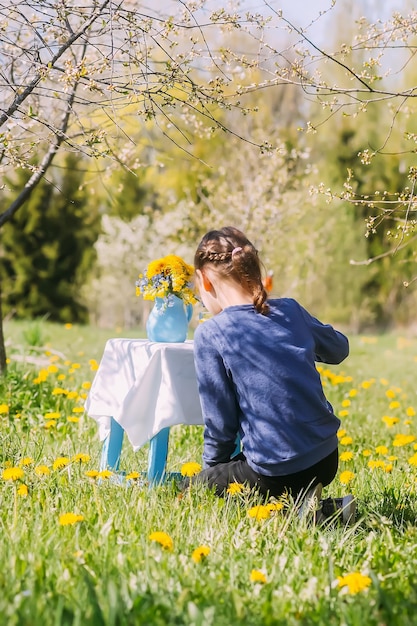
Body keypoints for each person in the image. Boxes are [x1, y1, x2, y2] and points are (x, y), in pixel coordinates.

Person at [190, 226, 355, 523]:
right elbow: (339, 349)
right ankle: (321, 510)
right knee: (263, 480)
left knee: (192, 487)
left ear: (204, 280)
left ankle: (308, 512)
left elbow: (220, 423)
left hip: (276, 470)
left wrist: (212, 473)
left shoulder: (211, 333)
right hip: (326, 458)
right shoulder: (290, 310)